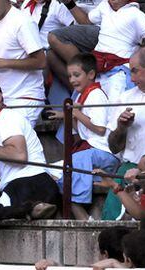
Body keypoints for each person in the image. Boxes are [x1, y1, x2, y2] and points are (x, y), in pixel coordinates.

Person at [0, 78, 60, 209]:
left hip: (29, 183)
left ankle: (32, 208)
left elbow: (19, 156)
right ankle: (33, 209)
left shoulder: (6, 117)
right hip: (23, 186)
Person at [48, 53, 119, 220]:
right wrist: (70, 116)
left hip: (102, 152)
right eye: (70, 76)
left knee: (64, 170)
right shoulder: (80, 96)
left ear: (91, 74)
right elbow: (80, 130)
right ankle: (84, 217)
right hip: (91, 153)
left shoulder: (96, 95)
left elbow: (100, 129)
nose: (72, 80)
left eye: (76, 75)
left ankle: (83, 219)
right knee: (53, 171)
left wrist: (75, 112)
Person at [58, 0, 145, 103]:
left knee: (115, 107)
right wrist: (69, 3)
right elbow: (86, 21)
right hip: (97, 67)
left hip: (119, 70)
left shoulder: (135, 14)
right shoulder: (104, 5)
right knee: (83, 104)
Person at [102, 45, 145, 220]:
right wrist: (121, 128)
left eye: (134, 71)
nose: (131, 79)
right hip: (130, 172)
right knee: (112, 229)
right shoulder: (126, 99)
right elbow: (114, 147)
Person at [0, 0, 46, 127]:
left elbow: (41, 61)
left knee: (14, 140)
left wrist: (2, 63)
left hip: (25, 97)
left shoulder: (22, 21)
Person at [95, 152, 145, 220]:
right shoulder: (139, 193)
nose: (135, 172)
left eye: (140, 170)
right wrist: (131, 204)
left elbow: (143, 217)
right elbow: (126, 223)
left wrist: (114, 185)